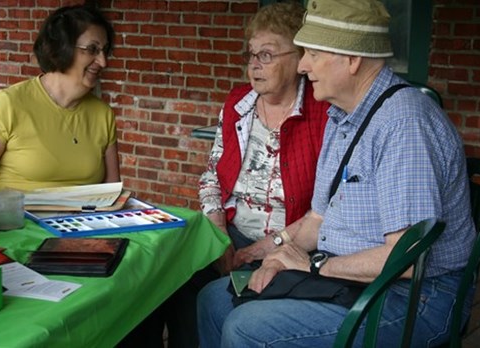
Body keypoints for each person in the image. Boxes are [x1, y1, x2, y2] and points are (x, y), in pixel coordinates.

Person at [197, 0, 476, 346]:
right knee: (213, 301)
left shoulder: (404, 123)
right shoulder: (342, 116)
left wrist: (312, 267)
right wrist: (274, 256)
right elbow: (317, 219)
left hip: (413, 297)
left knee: (246, 326)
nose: (303, 64)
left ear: (352, 59)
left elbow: (407, 257)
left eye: (312, 53)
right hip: (348, 277)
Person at [118, 2, 329, 347]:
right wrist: (218, 234)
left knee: (214, 298)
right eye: (251, 55)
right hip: (229, 233)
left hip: (288, 244)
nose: (255, 65)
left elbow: (324, 209)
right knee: (164, 279)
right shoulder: (238, 105)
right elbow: (212, 177)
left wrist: (266, 247)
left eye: (267, 54)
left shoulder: (322, 114)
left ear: (299, 59)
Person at [0, 4, 120, 204]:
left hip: (81, 228)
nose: (103, 62)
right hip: (19, 224)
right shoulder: (12, 103)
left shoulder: (103, 114)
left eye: (104, 51)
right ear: (62, 48)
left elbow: (111, 195)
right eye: (92, 49)